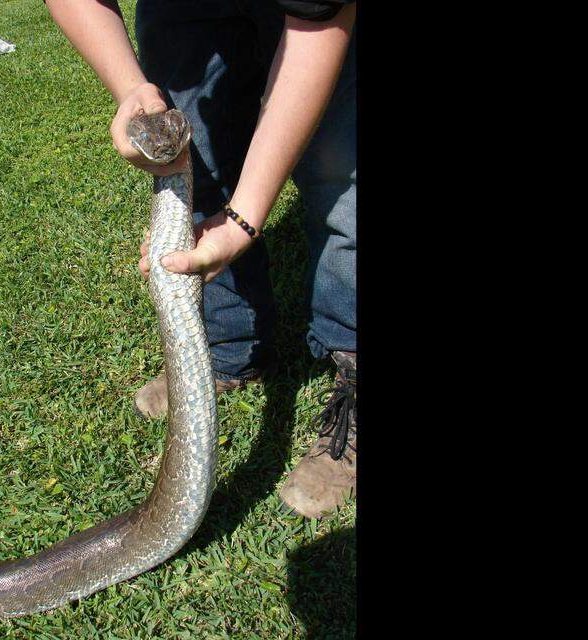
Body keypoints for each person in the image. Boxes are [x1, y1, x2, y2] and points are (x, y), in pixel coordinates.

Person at [45, 0, 356, 519]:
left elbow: (316, 28)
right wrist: (132, 89)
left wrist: (243, 222)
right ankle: (231, 348)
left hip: (318, 19)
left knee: (341, 166)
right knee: (200, 149)